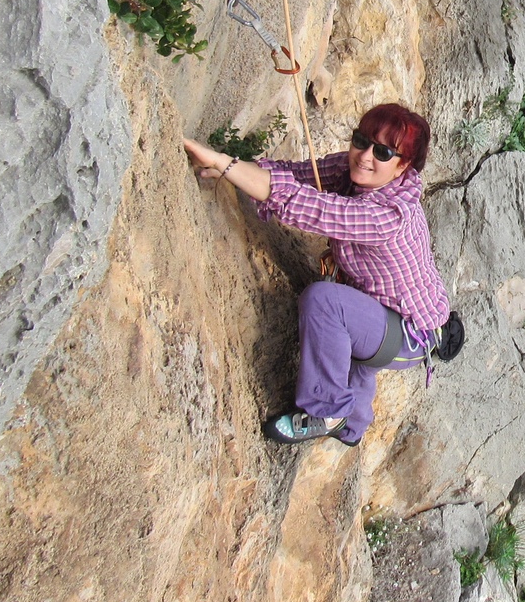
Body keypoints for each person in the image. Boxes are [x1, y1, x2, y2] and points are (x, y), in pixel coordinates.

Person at [182, 103, 456, 447]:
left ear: (402, 166)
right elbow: (295, 175)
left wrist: (226, 163)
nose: (365, 155)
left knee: (326, 303)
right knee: (356, 339)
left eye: (383, 152)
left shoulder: (388, 216)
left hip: (409, 333)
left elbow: (308, 207)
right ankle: (352, 427)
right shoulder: (354, 169)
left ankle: (327, 411)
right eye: (361, 140)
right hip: (385, 307)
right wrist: (230, 170)